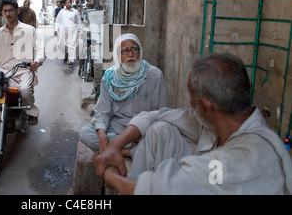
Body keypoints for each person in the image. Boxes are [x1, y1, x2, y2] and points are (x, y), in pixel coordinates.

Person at [94, 53, 292, 194]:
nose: (191, 106)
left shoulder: (248, 159)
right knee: (160, 129)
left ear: (206, 105)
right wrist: (115, 147)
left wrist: (110, 175)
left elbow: (161, 188)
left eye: (192, 99)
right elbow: (158, 115)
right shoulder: (223, 118)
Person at [79, 34, 169, 154]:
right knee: (85, 133)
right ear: (118, 55)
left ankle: (117, 150)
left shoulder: (154, 75)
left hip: (143, 132)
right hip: (116, 131)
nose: (131, 54)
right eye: (125, 51)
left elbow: (162, 112)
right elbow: (102, 112)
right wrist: (102, 136)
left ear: (140, 51)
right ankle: (131, 149)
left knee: (163, 136)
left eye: (134, 49)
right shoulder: (110, 77)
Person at [54, 0, 81, 68]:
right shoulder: (62, 11)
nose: (67, 4)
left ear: (71, 3)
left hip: (72, 31)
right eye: (66, 3)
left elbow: (79, 21)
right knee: (61, 45)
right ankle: (65, 54)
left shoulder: (75, 12)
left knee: (72, 46)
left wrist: (79, 30)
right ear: (64, 4)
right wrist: (56, 29)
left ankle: (70, 61)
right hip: (62, 32)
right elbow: (57, 21)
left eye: (69, 2)